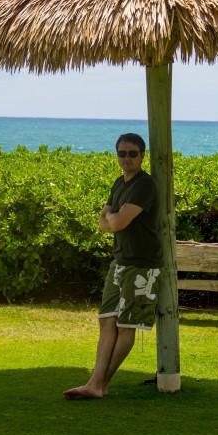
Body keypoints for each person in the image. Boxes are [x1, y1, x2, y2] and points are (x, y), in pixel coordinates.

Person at [63, 133, 162, 400]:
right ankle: (95, 383)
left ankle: (99, 383)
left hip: (142, 265)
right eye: (122, 153)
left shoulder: (145, 185)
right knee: (107, 320)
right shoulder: (120, 183)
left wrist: (112, 217)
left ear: (142, 155)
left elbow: (116, 224)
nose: (126, 159)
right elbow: (103, 221)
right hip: (120, 261)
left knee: (125, 325)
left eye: (132, 154)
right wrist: (111, 217)